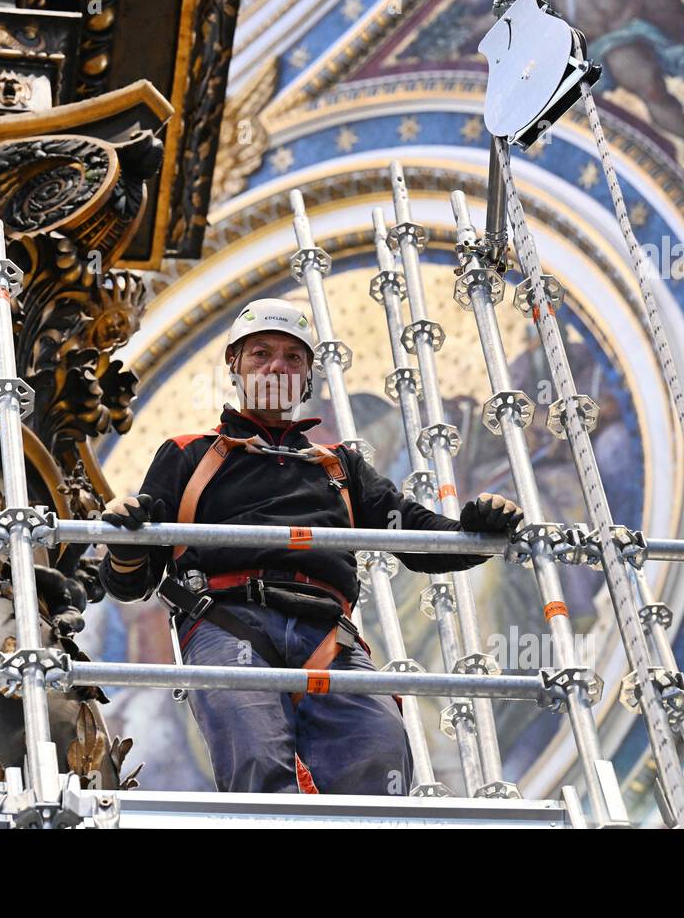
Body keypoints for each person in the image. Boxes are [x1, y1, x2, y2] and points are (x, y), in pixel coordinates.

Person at [97, 297, 523, 794]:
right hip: (227, 623)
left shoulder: (340, 467)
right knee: (256, 758)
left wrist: (476, 528)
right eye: (261, 353)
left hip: (326, 633)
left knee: (379, 747)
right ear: (234, 363)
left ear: (307, 378)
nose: (277, 364)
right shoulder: (189, 454)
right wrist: (127, 544)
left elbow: (417, 536)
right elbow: (133, 582)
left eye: (292, 357)